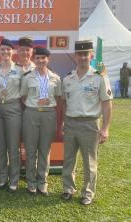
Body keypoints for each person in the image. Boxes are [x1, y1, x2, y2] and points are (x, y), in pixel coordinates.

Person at [61, 40, 113, 205]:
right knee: (69, 159)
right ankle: (68, 189)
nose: (83, 57)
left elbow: (107, 104)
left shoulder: (99, 77)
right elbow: (64, 103)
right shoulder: (68, 78)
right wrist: (63, 122)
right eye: (79, 54)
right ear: (75, 56)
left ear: (91, 55)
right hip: (70, 123)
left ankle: (88, 193)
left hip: (90, 124)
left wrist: (105, 128)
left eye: (86, 54)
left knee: (89, 161)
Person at [20, 47, 62, 196]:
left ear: (47, 59)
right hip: (31, 113)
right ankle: (31, 182)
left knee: (45, 150)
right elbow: (24, 97)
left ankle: (42, 182)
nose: (40, 61)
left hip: (48, 114)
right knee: (31, 150)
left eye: (43, 58)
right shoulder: (27, 77)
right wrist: (36, 104)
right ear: (34, 59)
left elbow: (58, 98)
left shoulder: (55, 78)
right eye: (37, 58)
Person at [0, 39, 23, 193]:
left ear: (12, 51)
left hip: (14, 107)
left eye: (8, 49)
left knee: (13, 146)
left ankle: (14, 180)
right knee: (0, 145)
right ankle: (2, 178)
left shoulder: (21, 70)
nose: (5, 52)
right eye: (2, 49)